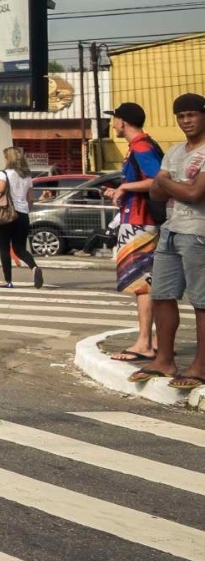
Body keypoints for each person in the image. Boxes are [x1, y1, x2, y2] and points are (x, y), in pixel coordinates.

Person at [137, 94, 205, 389]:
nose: (185, 121)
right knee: (162, 295)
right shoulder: (175, 152)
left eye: (191, 115)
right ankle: (164, 360)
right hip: (171, 230)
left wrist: (166, 182)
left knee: (201, 301)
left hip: (199, 233)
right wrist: (174, 184)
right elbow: (155, 193)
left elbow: (194, 195)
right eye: (180, 116)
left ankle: (201, 365)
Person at [104, 102, 164, 362]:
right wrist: (121, 190)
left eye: (114, 119)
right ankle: (154, 342)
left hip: (141, 222)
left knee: (142, 285)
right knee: (147, 284)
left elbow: (156, 180)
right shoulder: (142, 145)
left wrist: (126, 188)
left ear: (123, 121)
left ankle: (144, 343)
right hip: (138, 219)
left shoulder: (140, 146)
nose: (113, 124)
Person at [0, 147, 43, 289]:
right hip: (22, 215)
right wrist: (25, 210)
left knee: (4, 247)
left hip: (7, 215)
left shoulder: (4, 174)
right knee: (20, 248)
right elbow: (30, 199)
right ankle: (34, 267)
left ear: (8, 159)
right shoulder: (27, 176)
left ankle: (8, 280)